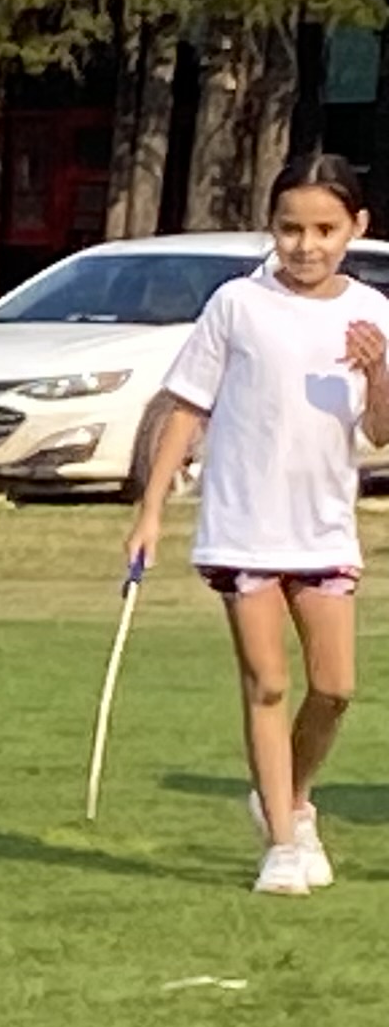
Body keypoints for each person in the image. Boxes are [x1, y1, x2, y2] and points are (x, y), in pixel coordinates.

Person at [127, 153, 389, 895]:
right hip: (243, 523)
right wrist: (151, 510)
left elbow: (380, 434)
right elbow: (187, 407)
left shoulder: (373, 314)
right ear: (270, 229)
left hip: (323, 528)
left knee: (335, 688)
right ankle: (280, 841)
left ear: (356, 229)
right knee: (267, 682)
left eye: (324, 230)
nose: (306, 245)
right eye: (290, 229)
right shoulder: (237, 305)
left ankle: (290, 798)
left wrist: (377, 375)